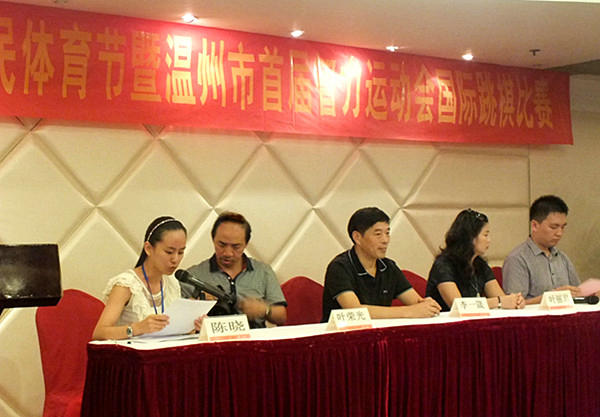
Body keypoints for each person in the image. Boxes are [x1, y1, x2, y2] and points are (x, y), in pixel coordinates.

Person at [321, 207, 441, 322]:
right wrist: (409, 311)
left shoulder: (388, 267)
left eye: (387, 233)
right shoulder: (339, 267)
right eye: (378, 234)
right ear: (357, 237)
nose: (385, 240)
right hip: (341, 334)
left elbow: (416, 302)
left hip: (380, 332)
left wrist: (427, 305)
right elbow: (354, 311)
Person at [93, 216, 194, 340]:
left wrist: (189, 327)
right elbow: (99, 333)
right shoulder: (126, 284)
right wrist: (137, 328)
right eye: (169, 252)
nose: (175, 259)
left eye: (181, 252)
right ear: (148, 249)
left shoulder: (172, 283)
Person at [181, 211, 287, 328]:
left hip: (255, 337)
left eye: (236, 247)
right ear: (213, 239)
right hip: (209, 337)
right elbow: (179, 321)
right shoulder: (193, 276)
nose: (228, 253)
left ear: (246, 244)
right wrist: (196, 307)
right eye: (222, 245)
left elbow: (282, 317)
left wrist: (264, 310)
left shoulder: (263, 271)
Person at [426, 209, 525, 312]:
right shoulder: (443, 265)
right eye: (485, 235)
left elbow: (501, 297)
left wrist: (515, 301)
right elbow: (458, 305)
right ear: (470, 238)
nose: (489, 240)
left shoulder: (480, 264)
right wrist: (499, 302)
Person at [503, 195, 580, 304]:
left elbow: (577, 293)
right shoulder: (517, 259)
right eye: (554, 227)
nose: (559, 233)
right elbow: (515, 305)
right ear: (534, 225)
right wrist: (552, 297)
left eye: (563, 227)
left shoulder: (562, 257)